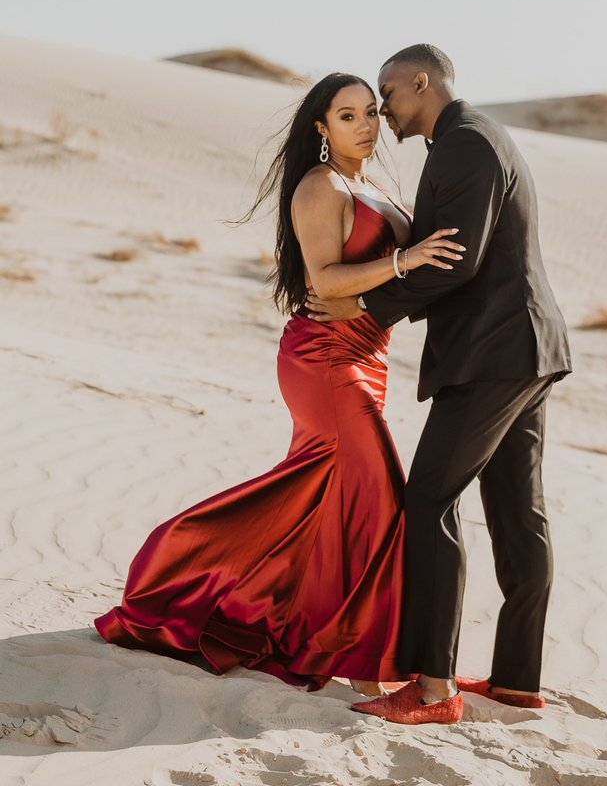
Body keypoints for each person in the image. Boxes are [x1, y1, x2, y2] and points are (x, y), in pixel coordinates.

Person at [94, 72, 464, 695]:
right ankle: (356, 653)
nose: (367, 125)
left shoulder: (370, 184)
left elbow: (384, 285)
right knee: (379, 499)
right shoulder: (319, 187)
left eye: (372, 112)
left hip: (369, 356)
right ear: (321, 129)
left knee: (319, 494)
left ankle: (247, 603)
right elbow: (324, 281)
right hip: (325, 357)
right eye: (348, 117)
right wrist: (406, 259)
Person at [307, 45, 572, 725]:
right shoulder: (481, 136)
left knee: (427, 503)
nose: (383, 113)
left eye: (388, 97)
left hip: (493, 353)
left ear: (420, 83)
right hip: (527, 347)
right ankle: (517, 680)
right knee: (518, 514)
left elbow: (454, 260)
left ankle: (431, 690)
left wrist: (364, 309)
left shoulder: (462, 144)